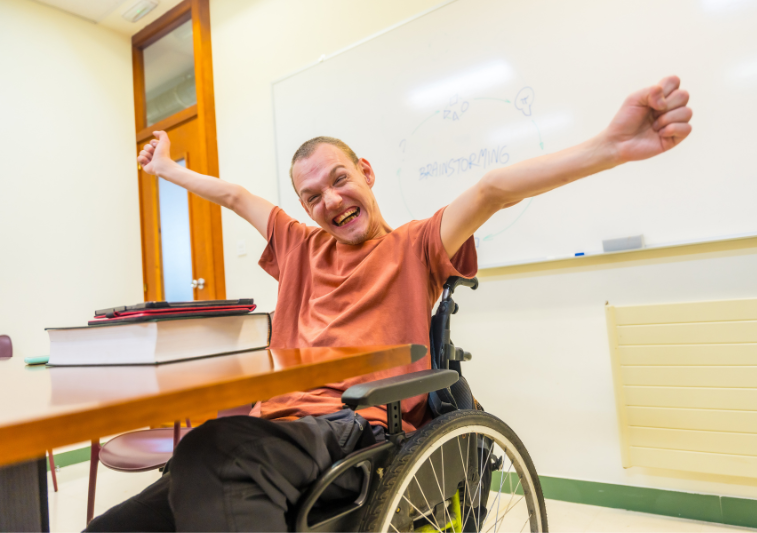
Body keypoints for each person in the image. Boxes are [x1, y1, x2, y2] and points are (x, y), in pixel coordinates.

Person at [87, 76, 691, 531]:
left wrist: (610, 146)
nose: (329, 200)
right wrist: (168, 169)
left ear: (366, 173)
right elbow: (232, 194)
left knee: (212, 454)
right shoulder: (298, 246)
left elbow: (490, 190)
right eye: (312, 195)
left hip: (350, 427)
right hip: (270, 431)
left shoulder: (415, 245)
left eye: (338, 180)